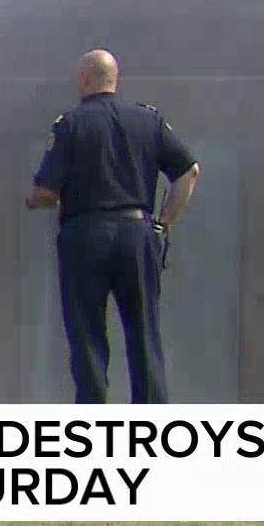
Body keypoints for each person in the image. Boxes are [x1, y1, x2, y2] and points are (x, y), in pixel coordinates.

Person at [25, 48, 201, 403]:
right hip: (138, 234)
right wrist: (163, 223)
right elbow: (188, 171)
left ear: (84, 79)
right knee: (143, 332)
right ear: (114, 80)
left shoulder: (70, 124)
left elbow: (46, 191)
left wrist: (34, 200)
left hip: (85, 236)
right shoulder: (148, 121)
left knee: (87, 333)